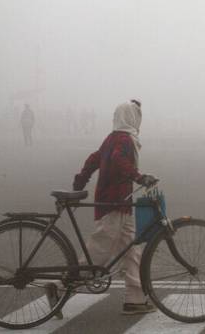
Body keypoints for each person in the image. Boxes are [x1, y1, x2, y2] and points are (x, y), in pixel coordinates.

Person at [69, 100, 158, 315]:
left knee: (131, 250)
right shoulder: (123, 139)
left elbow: (95, 158)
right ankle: (64, 284)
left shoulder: (114, 137)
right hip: (114, 201)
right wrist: (139, 177)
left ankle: (134, 299)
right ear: (131, 118)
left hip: (122, 202)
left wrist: (81, 180)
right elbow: (118, 160)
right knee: (100, 248)